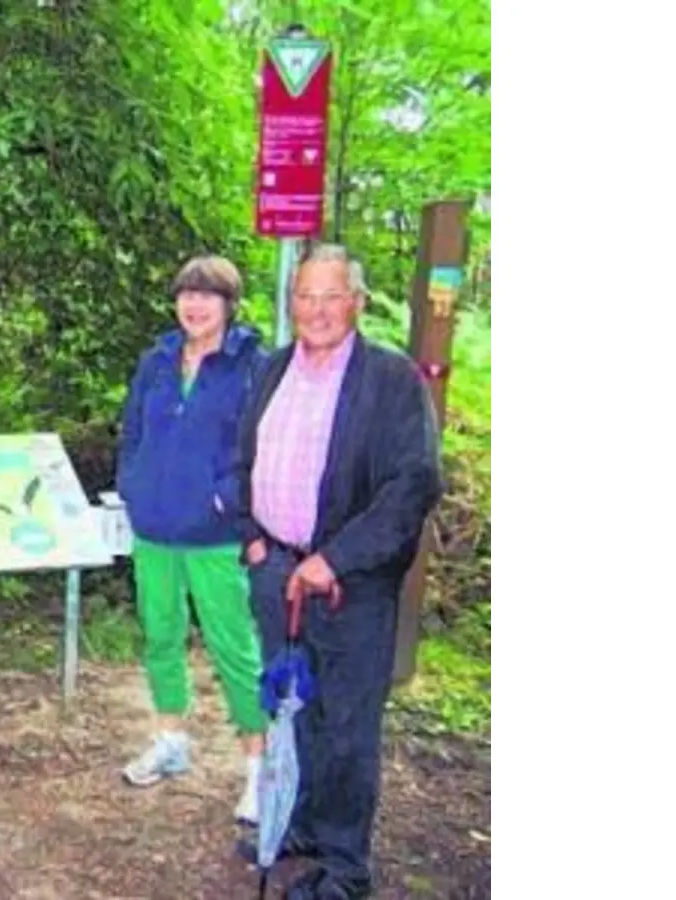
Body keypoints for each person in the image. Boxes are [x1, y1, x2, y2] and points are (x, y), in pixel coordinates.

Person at [231, 244, 443, 900]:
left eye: (330, 296)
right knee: (294, 710)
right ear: (290, 303)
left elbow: (413, 486)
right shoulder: (271, 370)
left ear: (355, 301)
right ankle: (301, 822)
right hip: (278, 573)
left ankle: (346, 867)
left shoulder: (391, 379)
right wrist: (253, 536)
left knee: (348, 725)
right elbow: (242, 458)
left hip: (351, 586)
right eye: (305, 297)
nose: (316, 310)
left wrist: (336, 558)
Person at [115, 255, 269, 824]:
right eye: (186, 293)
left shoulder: (252, 365)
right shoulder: (156, 361)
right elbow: (132, 431)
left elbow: (262, 447)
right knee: (160, 635)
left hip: (214, 535)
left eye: (208, 295)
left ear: (228, 304)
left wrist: (229, 499)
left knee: (234, 648)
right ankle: (170, 738)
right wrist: (132, 485)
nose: (194, 304)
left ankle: (258, 767)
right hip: (154, 528)